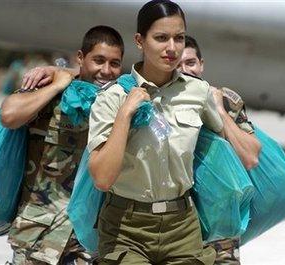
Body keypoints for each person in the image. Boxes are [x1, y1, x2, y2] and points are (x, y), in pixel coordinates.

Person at [86, 1, 222, 264]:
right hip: (125, 227)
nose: (172, 48)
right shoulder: (112, 97)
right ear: (140, 41)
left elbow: (222, 147)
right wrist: (125, 114)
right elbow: (102, 178)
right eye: (161, 38)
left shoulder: (199, 92)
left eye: (179, 38)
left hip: (183, 226)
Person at [0, 25, 124, 265]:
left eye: (114, 63)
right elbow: (9, 115)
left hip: (90, 240)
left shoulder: (122, 103)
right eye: (98, 60)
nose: (106, 70)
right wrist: (58, 83)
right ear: (81, 58)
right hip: (39, 233)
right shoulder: (51, 91)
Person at [178, 35, 261, 264]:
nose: (185, 70)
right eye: (177, 64)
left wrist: (220, 113)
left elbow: (251, 157)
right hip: (174, 227)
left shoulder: (225, 101)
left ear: (201, 64)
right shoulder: (157, 100)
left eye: (190, 63)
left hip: (220, 228)